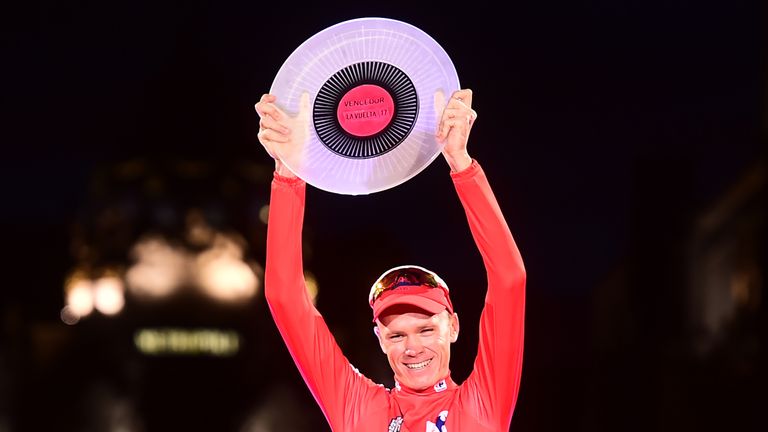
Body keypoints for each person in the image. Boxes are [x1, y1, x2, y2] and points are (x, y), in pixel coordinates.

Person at [255, 88, 526, 431]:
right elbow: (284, 297)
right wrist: (289, 171)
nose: (413, 347)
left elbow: (509, 279)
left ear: (453, 326)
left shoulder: (481, 403)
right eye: (397, 335)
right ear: (379, 337)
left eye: (426, 329)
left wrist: (461, 163)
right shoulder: (358, 406)